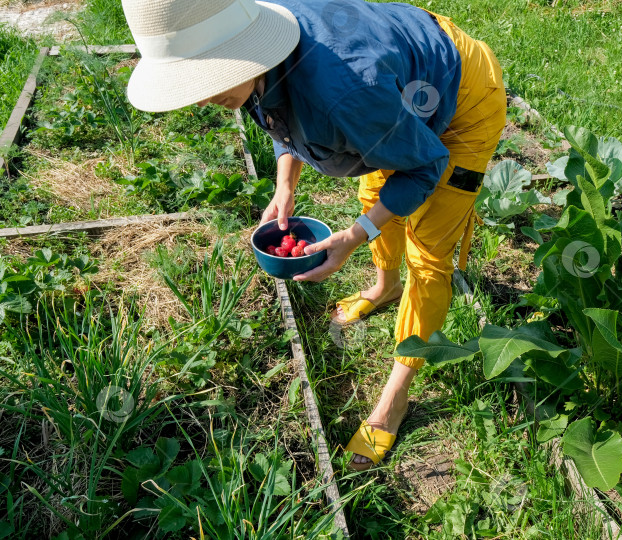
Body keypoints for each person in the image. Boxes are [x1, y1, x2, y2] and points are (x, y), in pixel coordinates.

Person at [122, 0, 506, 471]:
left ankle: (395, 399)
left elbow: (426, 164)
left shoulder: (346, 92)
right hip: (394, 77)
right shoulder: (263, 39)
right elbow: (280, 108)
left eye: (208, 77)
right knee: (376, 192)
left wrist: (355, 235)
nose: (202, 98)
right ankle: (384, 288)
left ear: (242, 53)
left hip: (464, 95)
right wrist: (285, 186)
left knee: (428, 253)